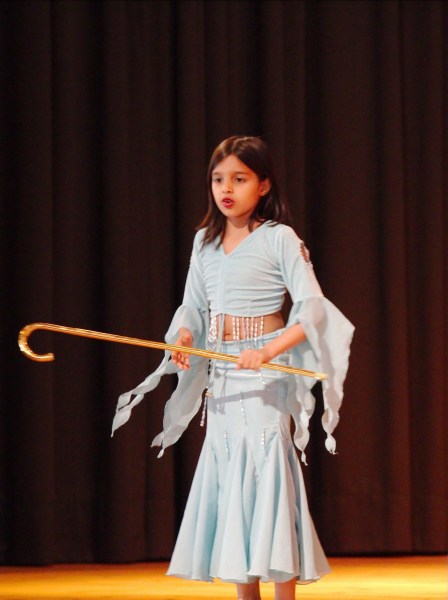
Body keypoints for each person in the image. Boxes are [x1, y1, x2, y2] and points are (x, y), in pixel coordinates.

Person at [111, 136, 354, 600]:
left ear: (263, 185)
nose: (226, 188)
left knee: (265, 476)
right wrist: (184, 337)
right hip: (223, 379)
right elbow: (193, 306)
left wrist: (268, 350)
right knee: (232, 484)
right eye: (218, 179)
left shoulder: (279, 238)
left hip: (265, 379)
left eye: (239, 179)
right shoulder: (204, 243)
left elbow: (312, 309)